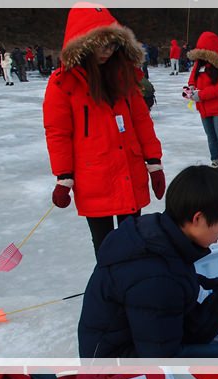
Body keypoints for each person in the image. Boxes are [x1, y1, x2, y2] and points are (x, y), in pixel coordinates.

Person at [77, 165, 218, 358]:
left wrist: (213, 307)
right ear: (198, 218)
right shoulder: (156, 276)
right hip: (112, 371)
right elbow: (159, 357)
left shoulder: (158, 236)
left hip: (132, 346)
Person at [43, 4, 164, 253]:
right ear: (83, 45)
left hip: (130, 172)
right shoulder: (62, 84)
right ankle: (110, 289)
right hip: (94, 177)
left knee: (134, 243)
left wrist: (154, 163)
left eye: (112, 45)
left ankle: (133, 288)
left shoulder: (125, 78)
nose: (108, 52)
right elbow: (58, 132)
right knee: (105, 247)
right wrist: (63, 177)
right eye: (101, 45)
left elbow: (142, 122)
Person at [186, 31, 218, 180]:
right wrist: (190, 89)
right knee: (211, 137)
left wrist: (200, 95)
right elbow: (192, 79)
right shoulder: (199, 63)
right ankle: (216, 162)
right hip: (204, 108)